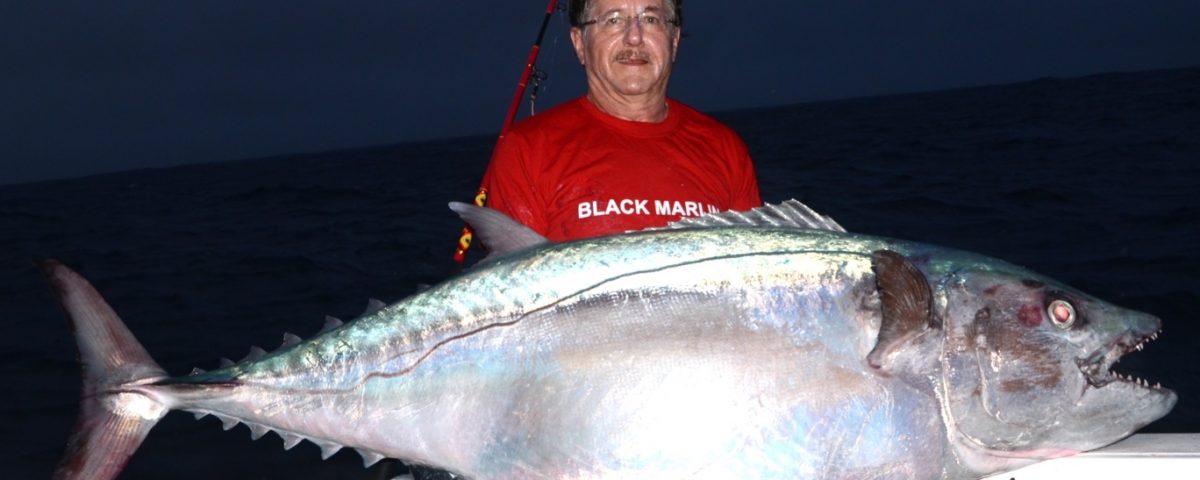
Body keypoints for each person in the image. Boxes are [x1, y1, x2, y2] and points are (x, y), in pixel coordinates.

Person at [478, 0, 762, 243]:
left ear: (673, 40)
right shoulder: (527, 150)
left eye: (650, 19)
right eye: (613, 19)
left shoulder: (726, 150)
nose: (634, 37)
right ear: (579, 43)